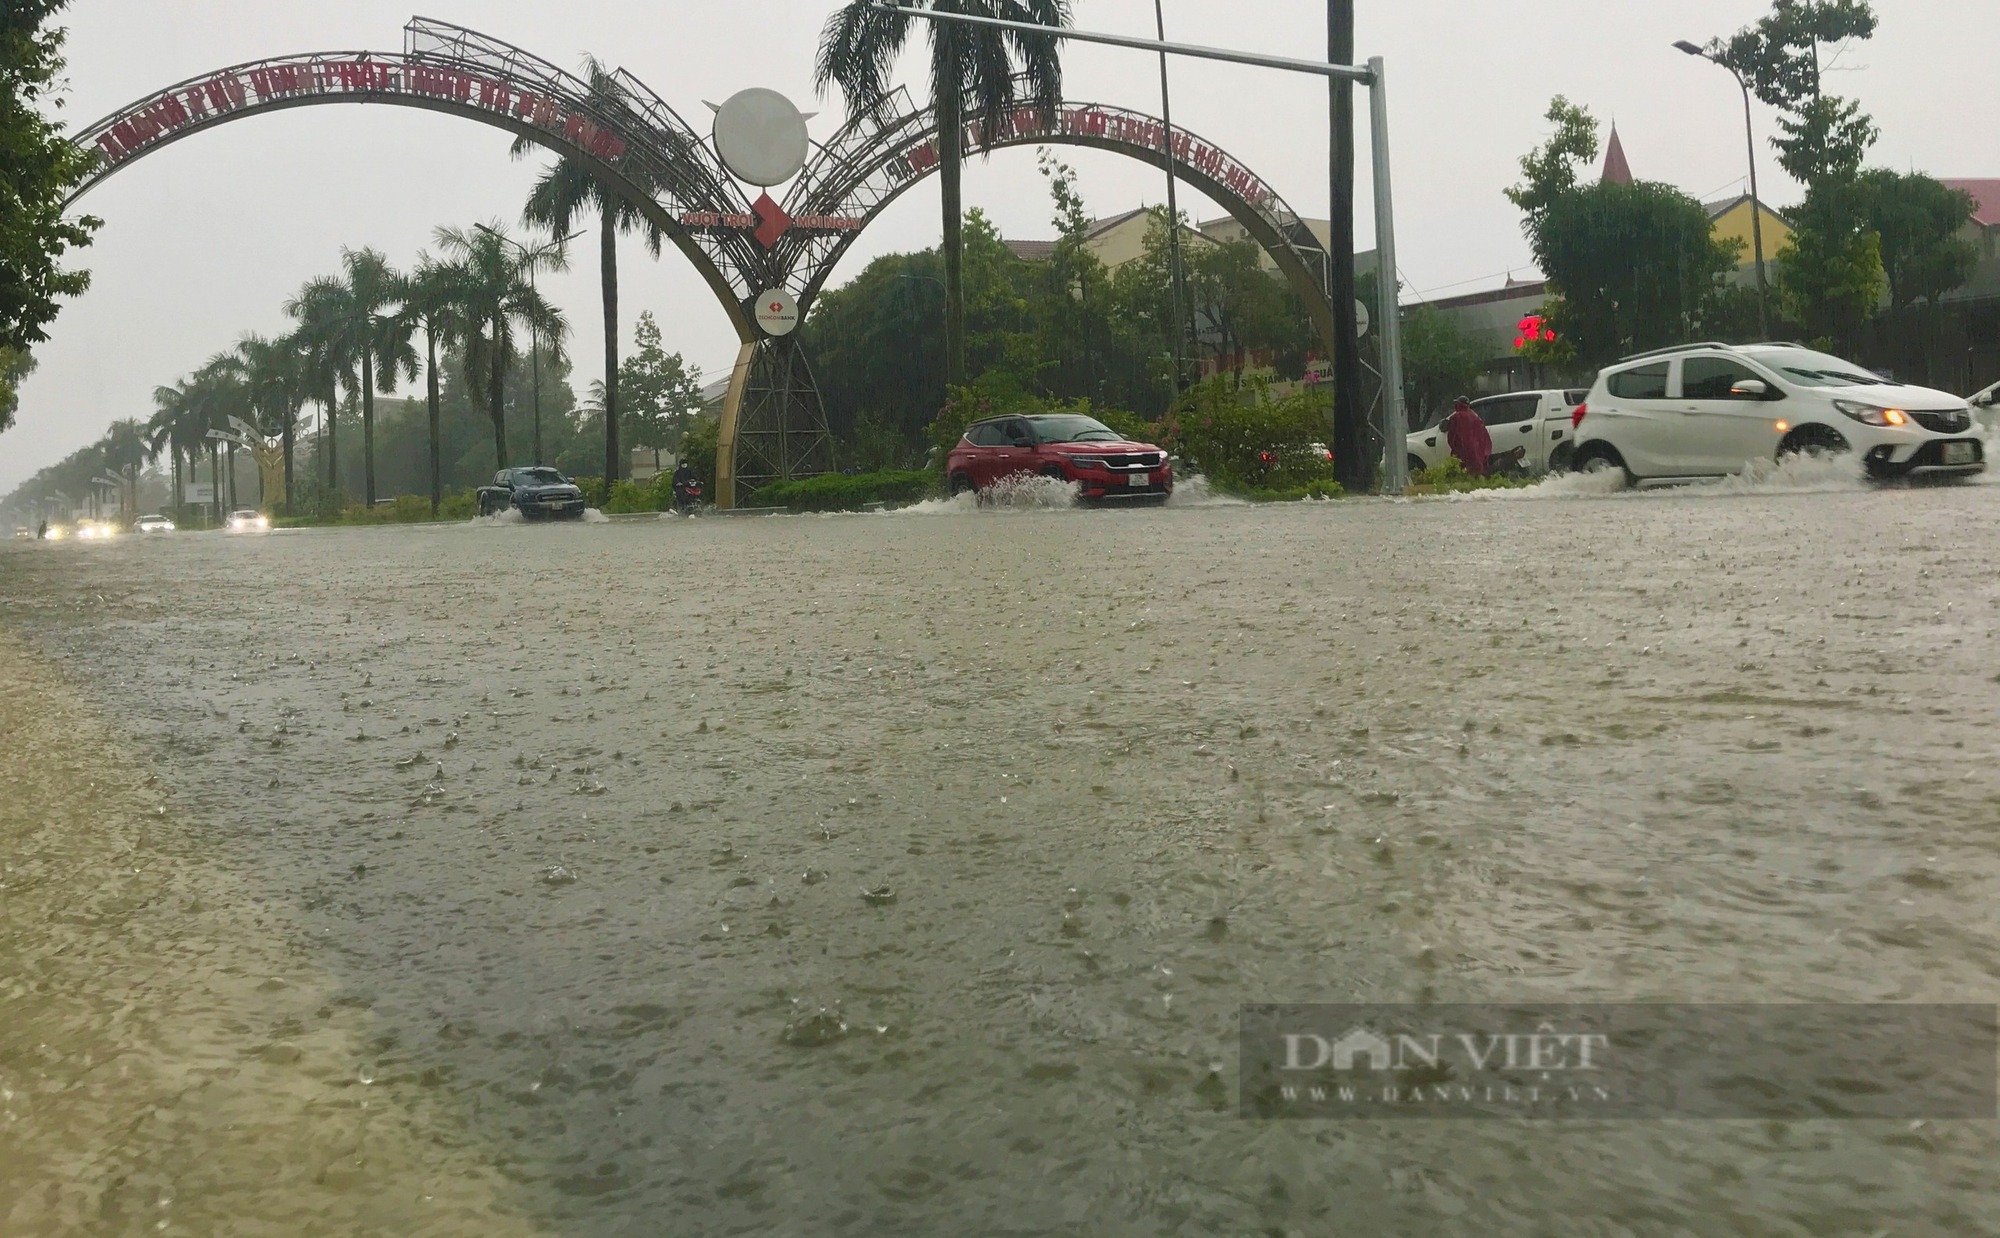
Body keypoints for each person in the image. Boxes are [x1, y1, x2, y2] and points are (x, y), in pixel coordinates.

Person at [1444, 398, 1492, 478]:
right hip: (1477, 451)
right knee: (1477, 472)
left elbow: (1451, 436)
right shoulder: (1475, 416)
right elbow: (1484, 436)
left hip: (1462, 450)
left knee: (1461, 474)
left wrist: (1455, 446)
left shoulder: (1456, 417)